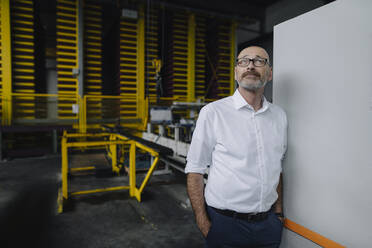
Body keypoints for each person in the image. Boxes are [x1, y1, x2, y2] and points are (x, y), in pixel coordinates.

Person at [185, 45, 288, 248]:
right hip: (225, 225)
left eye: (259, 61)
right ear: (235, 72)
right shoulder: (213, 113)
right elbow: (195, 170)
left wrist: (278, 212)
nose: (250, 65)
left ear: (269, 74)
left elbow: (277, 167)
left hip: (268, 226)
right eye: (243, 61)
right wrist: (203, 222)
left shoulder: (279, 117)